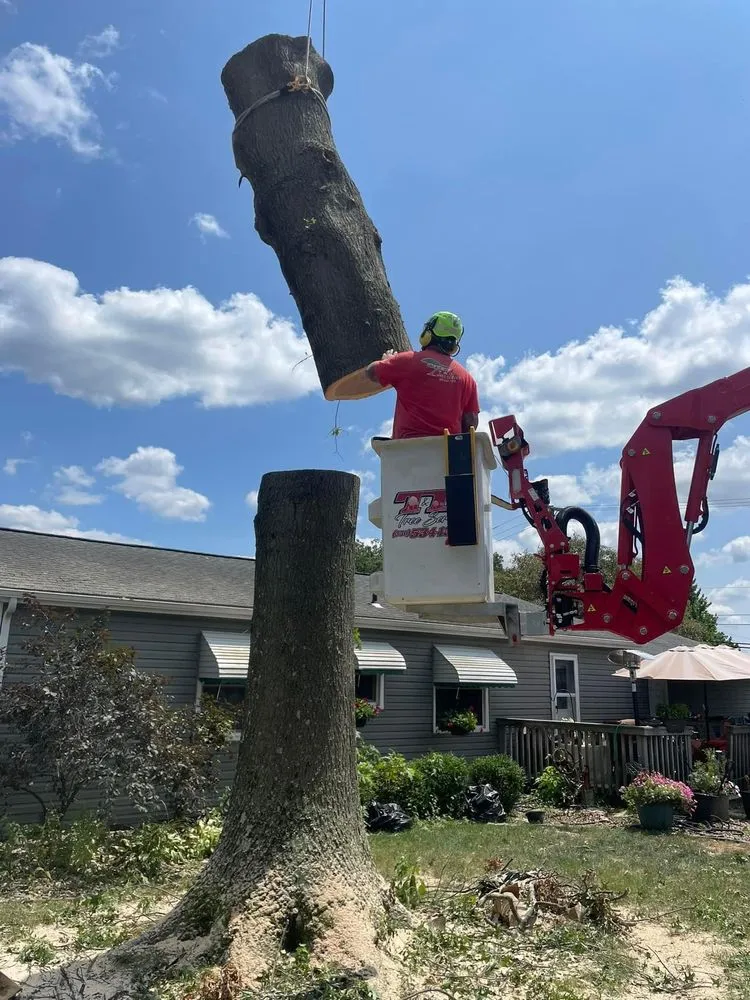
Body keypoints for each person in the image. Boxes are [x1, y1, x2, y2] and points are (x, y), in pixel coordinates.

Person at [364, 311, 480, 440]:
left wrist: (387, 360)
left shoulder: (408, 360)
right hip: (448, 451)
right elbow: (471, 422)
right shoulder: (468, 379)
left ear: (428, 334)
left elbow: (371, 372)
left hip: (407, 449)